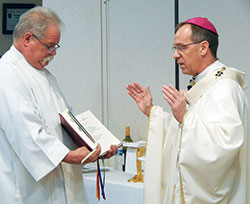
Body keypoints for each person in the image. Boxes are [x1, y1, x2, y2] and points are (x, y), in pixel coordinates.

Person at [0, 7, 117, 204]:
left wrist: (93, 145)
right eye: (50, 45)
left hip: (57, 184)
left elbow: (65, 121)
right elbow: (25, 131)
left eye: (56, 47)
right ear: (27, 38)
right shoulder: (8, 74)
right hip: (28, 188)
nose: (53, 53)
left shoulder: (43, 75)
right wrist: (68, 155)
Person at [127, 17, 249, 204]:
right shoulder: (205, 84)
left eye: (182, 47)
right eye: (174, 48)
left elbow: (225, 146)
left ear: (203, 47)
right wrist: (151, 112)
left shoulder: (224, 88)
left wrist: (185, 117)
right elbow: (184, 132)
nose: (175, 55)